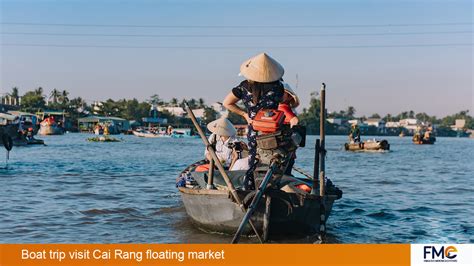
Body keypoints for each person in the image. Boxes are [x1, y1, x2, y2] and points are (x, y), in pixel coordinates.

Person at [223, 52, 285, 190]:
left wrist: (245, 115)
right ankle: (272, 188)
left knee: (253, 159)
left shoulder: (244, 86)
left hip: (254, 130)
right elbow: (282, 101)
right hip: (272, 131)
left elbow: (227, 103)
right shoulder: (278, 87)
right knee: (272, 159)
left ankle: (250, 188)